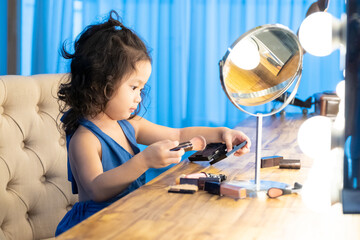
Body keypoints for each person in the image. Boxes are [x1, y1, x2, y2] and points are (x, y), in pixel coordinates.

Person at [55, 10, 251, 236]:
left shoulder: (129, 123)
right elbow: (97, 189)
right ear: (100, 84)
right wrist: (144, 160)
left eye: (141, 88)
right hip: (95, 227)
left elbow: (178, 135)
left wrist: (222, 133)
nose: (139, 97)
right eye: (133, 87)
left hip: (128, 215)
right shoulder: (85, 138)